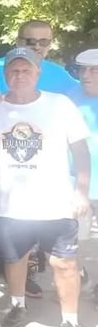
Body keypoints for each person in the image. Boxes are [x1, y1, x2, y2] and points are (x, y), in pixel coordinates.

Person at [0, 46, 90, 327]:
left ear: (38, 73)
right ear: (5, 74)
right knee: (15, 258)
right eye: (14, 70)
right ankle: (17, 305)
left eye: (26, 70)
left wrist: (81, 192)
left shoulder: (59, 105)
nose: (20, 75)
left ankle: (70, 322)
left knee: (64, 263)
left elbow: (80, 151)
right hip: (8, 205)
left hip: (55, 203)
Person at [0, 20, 78, 295]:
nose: (37, 46)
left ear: (50, 44)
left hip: (42, 166)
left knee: (34, 220)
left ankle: (24, 274)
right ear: (18, 40)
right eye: (30, 41)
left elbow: (81, 97)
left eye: (43, 41)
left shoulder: (59, 74)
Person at [67, 48, 98, 307]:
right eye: (82, 69)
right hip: (75, 184)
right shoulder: (69, 99)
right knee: (70, 241)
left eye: (93, 70)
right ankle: (78, 280)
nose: (86, 75)